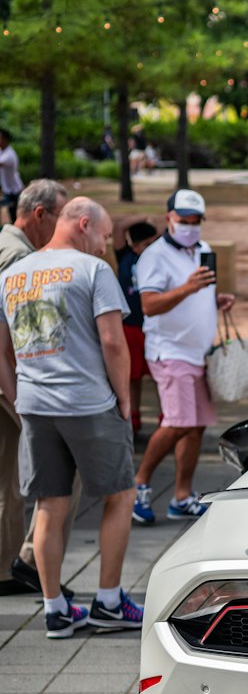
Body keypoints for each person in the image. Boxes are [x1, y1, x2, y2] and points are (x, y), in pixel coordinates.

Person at [0, 197, 142, 638]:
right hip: (87, 402)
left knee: (48, 506)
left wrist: (19, 396)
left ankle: (55, 610)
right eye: (103, 235)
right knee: (121, 496)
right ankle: (109, 602)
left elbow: (3, 350)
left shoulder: (11, 275)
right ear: (84, 224)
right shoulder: (93, 271)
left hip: (36, 406)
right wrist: (124, 400)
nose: (104, 246)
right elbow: (113, 343)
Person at [132, 189, 235, 524]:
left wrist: (215, 300)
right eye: (183, 221)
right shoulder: (153, 256)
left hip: (199, 353)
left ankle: (182, 496)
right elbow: (148, 304)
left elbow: (197, 294)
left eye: (195, 222)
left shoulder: (202, 250)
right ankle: (139, 485)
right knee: (178, 422)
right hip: (169, 350)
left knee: (195, 427)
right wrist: (189, 288)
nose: (190, 228)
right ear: (168, 218)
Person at [0, 180, 81, 597]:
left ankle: (13, 568)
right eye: (62, 217)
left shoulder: (6, 246)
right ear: (39, 215)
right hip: (14, 382)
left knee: (11, 483)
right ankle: (29, 564)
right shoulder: (18, 257)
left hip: (12, 379)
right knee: (56, 475)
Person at [113, 218, 159, 433]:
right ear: (134, 246)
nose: (151, 249)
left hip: (153, 326)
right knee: (133, 376)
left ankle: (165, 416)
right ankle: (134, 416)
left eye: (154, 243)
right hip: (130, 326)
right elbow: (119, 227)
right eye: (146, 245)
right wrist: (142, 219)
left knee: (160, 375)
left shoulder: (160, 259)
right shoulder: (125, 256)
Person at [0, 129, 24, 225]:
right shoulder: (2, 151)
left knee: (16, 216)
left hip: (15, 191)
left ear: (5, 139)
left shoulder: (9, 155)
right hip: (8, 190)